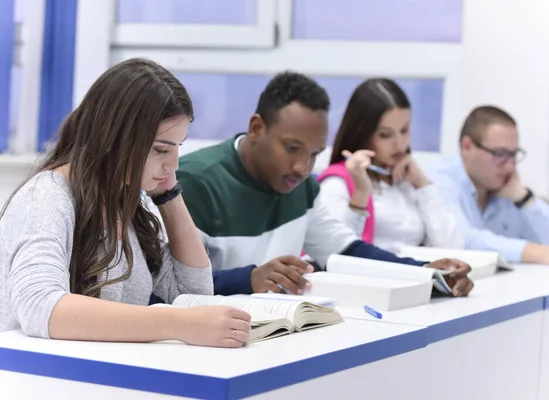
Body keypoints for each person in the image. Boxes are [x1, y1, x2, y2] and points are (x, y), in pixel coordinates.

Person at [0, 58, 251, 348]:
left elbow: (191, 291)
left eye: (177, 148)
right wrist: (179, 324)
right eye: (161, 149)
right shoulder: (46, 198)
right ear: (116, 138)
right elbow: (42, 308)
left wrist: (168, 194)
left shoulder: (126, 203)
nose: (174, 163)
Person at [177, 71, 474, 297]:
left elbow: (345, 251)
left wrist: (424, 272)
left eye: (314, 154)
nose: (303, 167)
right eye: (292, 148)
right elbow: (163, 287)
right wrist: (249, 279)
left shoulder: (301, 186)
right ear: (257, 128)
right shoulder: (194, 183)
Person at [428, 105, 549, 269]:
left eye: (513, 155)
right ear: (467, 146)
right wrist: (542, 254)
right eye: (499, 154)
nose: (509, 167)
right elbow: (462, 240)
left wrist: (524, 199)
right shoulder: (439, 179)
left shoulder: (506, 188)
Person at [316, 78, 464, 254]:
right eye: (386, 135)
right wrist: (361, 194)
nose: (400, 144)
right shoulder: (337, 184)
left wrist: (423, 184)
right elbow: (334, 254)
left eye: (404, 130)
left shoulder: (407, 180)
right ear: (362, 133)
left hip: (417, 276)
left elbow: (452, 248)